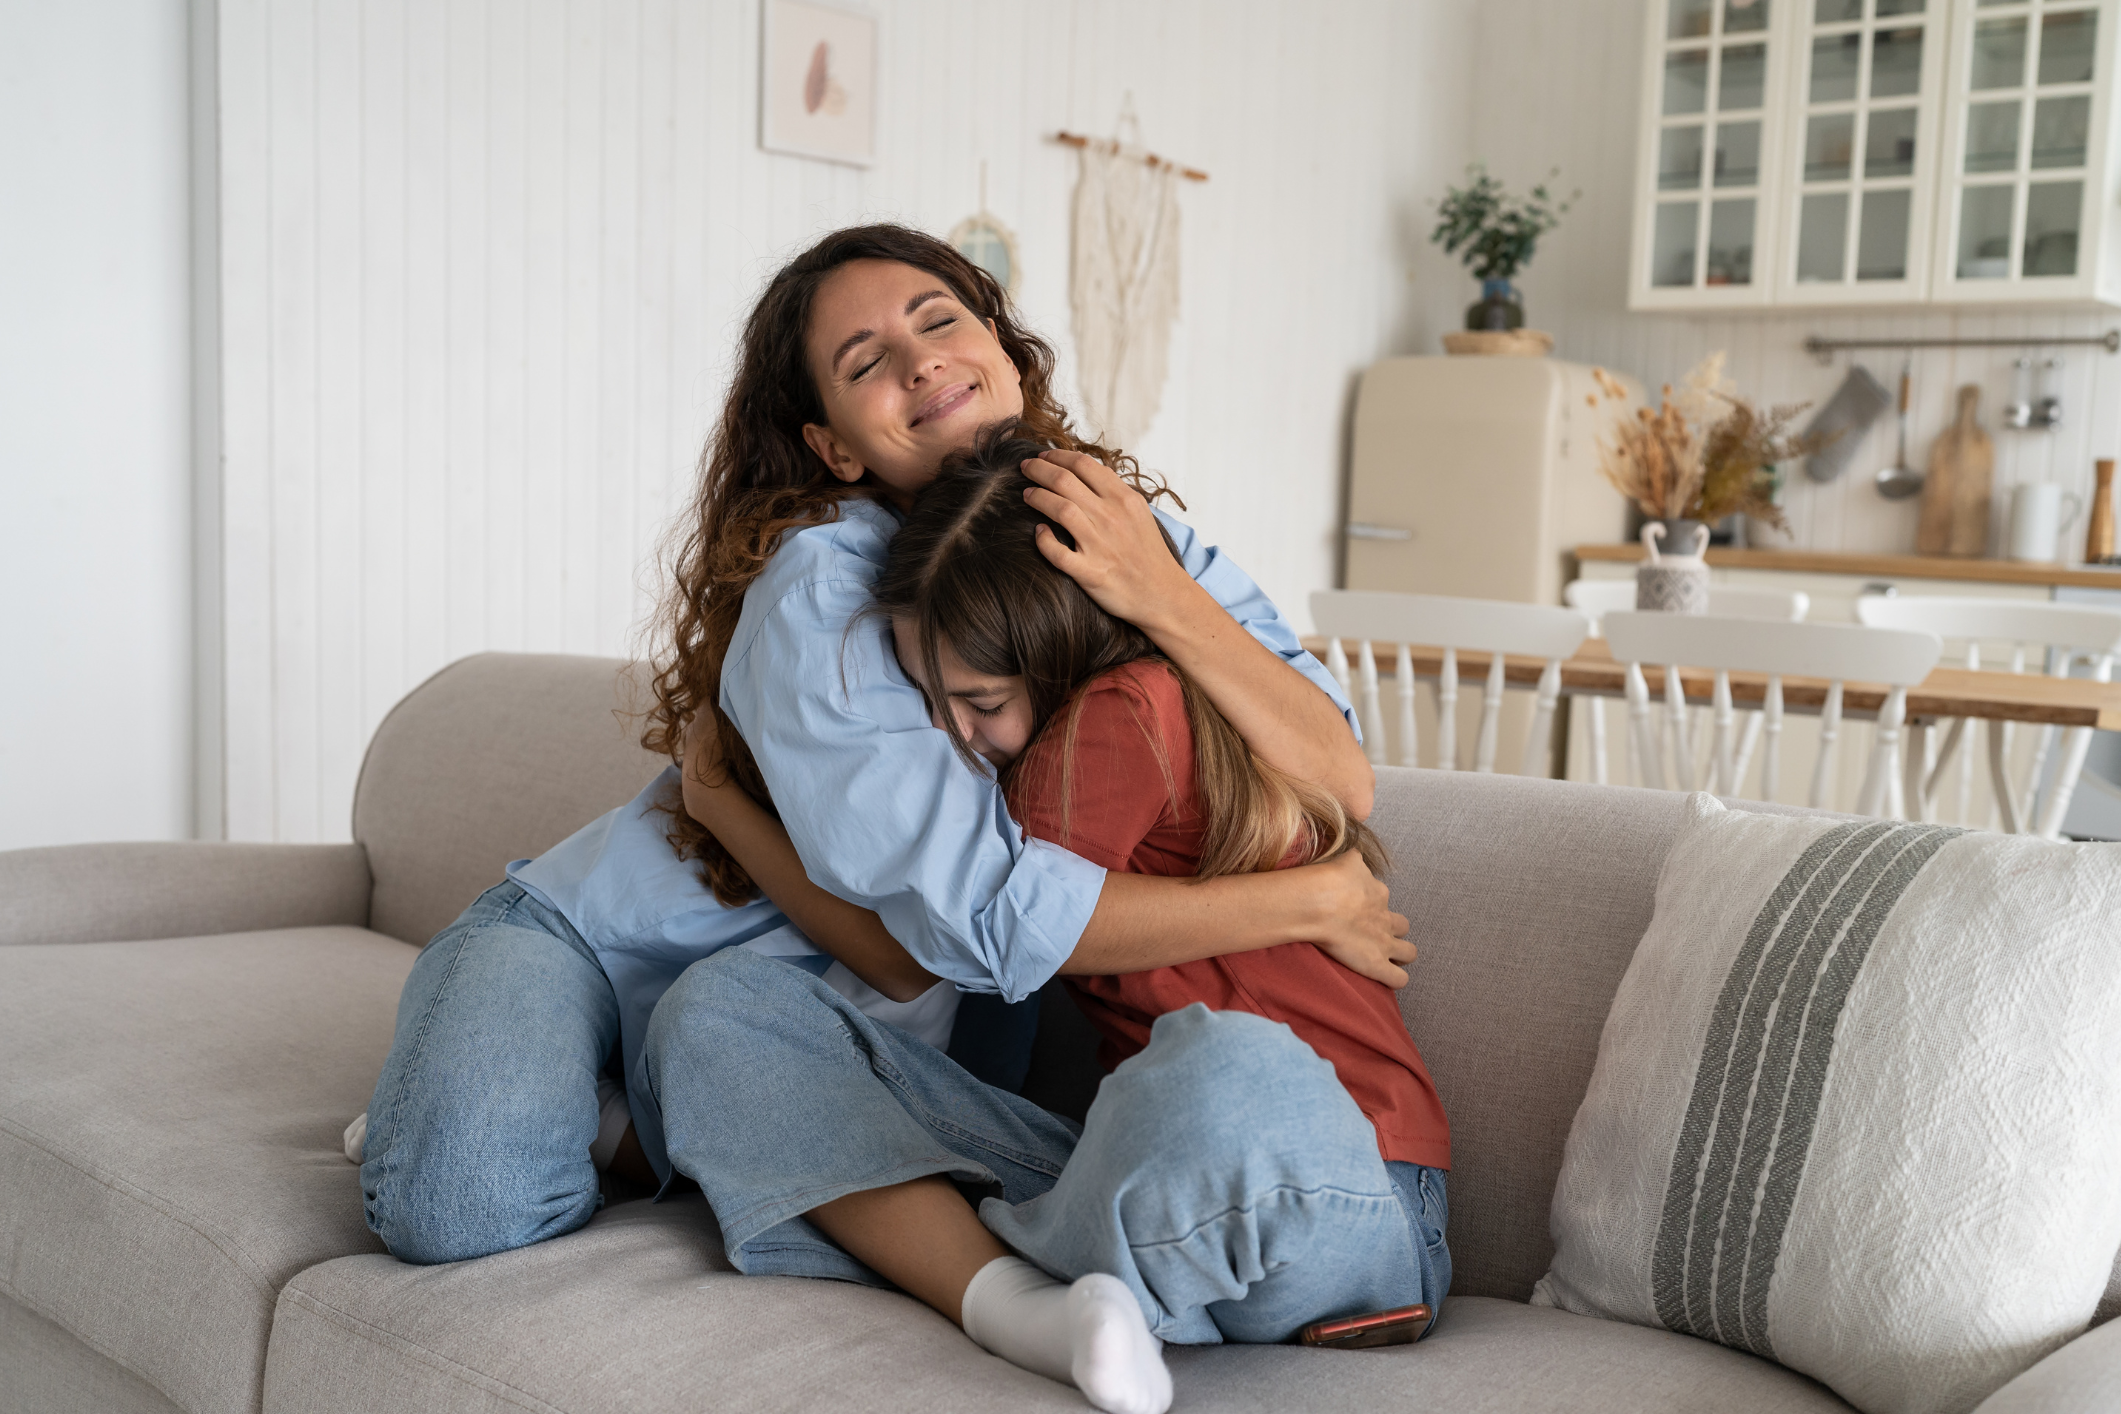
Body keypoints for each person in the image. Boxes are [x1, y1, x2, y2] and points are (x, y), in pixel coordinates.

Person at [357, 224, 1411, 1265]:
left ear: (1004, 345)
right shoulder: (829, 578)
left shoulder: (1131, 532)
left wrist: (1161, 596)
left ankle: (633, 1125)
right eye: (865, 364)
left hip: (809, 1029)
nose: (921, 361)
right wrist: (1312, 899)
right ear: (833, 445)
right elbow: (961, 931)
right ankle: (502, 1098)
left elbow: (1340, 777)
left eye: (941, 319)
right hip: (611, 938)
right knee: (460, 1202)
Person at [663, 426, 1450, 1414]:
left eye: (980, 702)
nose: (955, 737)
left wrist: (728, 807)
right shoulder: (1099, 720)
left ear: (1055, 647)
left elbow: (1004, 941)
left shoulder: (1118, 714)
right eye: (931, 703)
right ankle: (1032, 1299)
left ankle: (1001, 1258)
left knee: (1224, 1068)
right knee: (722, 1009)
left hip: (1348, 1187)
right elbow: (956, 961)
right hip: (1144, 1173)